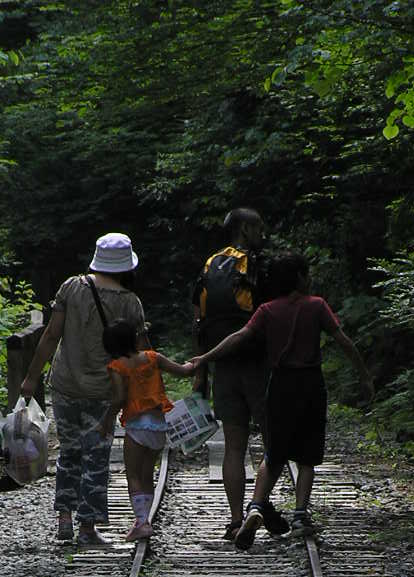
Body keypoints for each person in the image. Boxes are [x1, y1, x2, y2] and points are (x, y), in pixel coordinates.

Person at [193, 251, 374, 551]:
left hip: (278, 385)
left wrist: (206, 357)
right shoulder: (316, 306)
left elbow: (239, 336)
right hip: (309, 383)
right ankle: (301, 515)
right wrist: (364, 375)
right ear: (300, 277)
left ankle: (255, 506)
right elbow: (343, 340)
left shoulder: (266, 309)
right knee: (306, 456)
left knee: (274, 452)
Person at [21, 232, 146, 547]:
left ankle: (64, 516)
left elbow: (50, 335)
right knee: (96, 457)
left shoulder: (72, 287)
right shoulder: (130, 303)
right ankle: (87, 528)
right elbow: (140, 353)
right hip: (104, 391)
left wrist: (31, 377)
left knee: (69, 451)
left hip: (65, 384)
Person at [192, 208, 289, 541]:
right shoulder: (261, 266)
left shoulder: (209, 266)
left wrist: (201, 371)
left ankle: (235, 520)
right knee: (276, 443)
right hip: (260, 367)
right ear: (245, 229)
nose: (262, 233)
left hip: (223, 365)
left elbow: (199, 321)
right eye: (258, 227)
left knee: (234, 446)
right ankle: (258, 505)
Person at [101, 319, 194, 541]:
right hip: (158, 425)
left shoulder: (117, 367)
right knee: (147, 475)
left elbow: (119, 398)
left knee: (133, 474)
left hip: (135, 426)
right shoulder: (153, 357)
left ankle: (142, 522)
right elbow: (183, 371)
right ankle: (144, 519)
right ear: (133, 339)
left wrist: (106, 420)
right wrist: (196, 363)